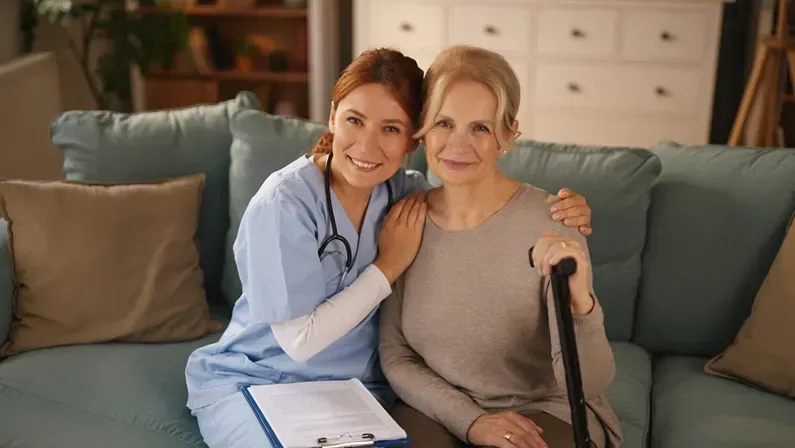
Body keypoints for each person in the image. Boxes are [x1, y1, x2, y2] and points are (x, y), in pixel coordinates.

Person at [183, 47, 595, 448]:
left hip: (356, 391)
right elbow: (300, 343)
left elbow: (468, 201)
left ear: (413, 141)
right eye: (354, 120)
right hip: (259, 380)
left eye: (392, 128)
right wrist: (388, 266)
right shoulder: (284, 204)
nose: (367, 146)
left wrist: (564, 211)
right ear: (331, 117)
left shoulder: (404, 196)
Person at [379, 44, 623, 448]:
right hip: (439, 408)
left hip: (545, 410)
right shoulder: (406, 221)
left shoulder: (553, 221)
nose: (458, 144)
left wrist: (581, 301)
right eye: (443, 123)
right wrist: (471, 421)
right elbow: (396, 356)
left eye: (480, 127)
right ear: (421, 128)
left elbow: (591, 382)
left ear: (508, 135)